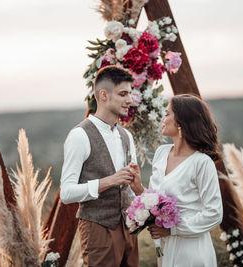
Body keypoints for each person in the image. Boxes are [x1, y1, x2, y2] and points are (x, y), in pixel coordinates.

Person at [60, 65, 142, 267]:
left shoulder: (126, 135)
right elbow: (66, 193)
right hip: (98, 230)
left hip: (129, 229)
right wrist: (108, 181)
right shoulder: (79, 136)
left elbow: (129, 190)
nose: (129, 100)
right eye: (123, 94)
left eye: (130, 94)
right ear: (103, 95)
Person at [147, 94, 223, 267]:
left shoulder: (201, 162)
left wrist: (172, 229)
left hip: (191, 249)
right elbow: (152, 199)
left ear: (181, 121)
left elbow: (214, 214)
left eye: (167, 114)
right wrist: (137, 188)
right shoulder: (161, 153)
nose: (162, 119)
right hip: (165, 247)